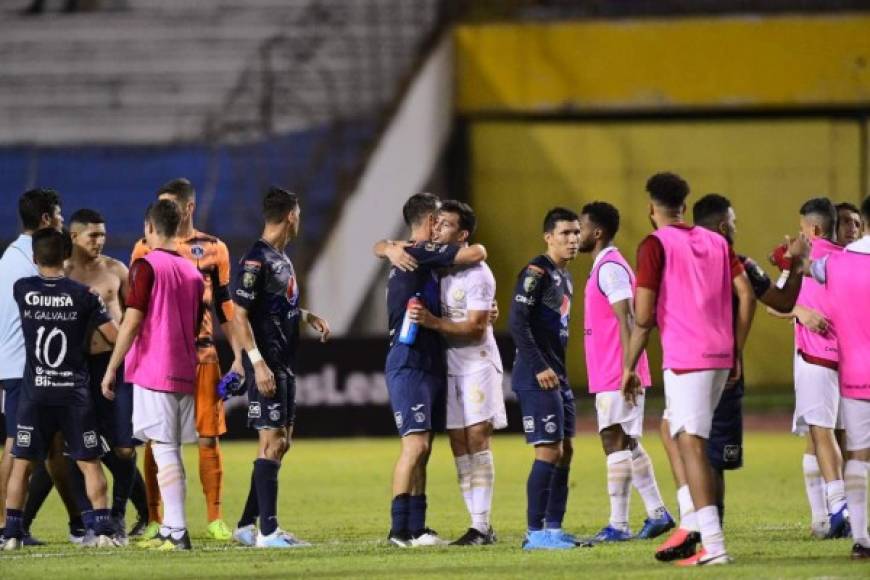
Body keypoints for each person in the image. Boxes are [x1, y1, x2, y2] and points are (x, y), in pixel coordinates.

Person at [622, 173, 754, 566]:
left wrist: (628, 367)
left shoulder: (653, 245)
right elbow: (746, 294)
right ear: (684, 204)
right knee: (671, 427)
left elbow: (643, 317)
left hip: (687, 356)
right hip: (718, 354)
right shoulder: (715, 240)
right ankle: (693, 519)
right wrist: (736, 348)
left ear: (651, 208)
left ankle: (712, 543)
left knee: (693, 442)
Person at [677, 194, 809, 527]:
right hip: (724, 367)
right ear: (723, 226)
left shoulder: (676, 260)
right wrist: (795, 266)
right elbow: (781, 301)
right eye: (733, 222)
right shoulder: (740, 263)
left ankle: (693, 525)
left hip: (682, 366)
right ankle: (711, 531)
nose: (736, 226)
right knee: (715, 455)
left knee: (688, 442)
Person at [130, 178, 242, 541]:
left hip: (203, 354)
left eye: (170, 206)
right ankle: (154, 518)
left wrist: (240, 355)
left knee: (208, 438)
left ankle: (214, 518)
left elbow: (225, 306)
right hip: (160, 358)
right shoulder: (143, 250)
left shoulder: (213, 249)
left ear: (188, 209)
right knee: (156, 440)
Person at [372, 192, 487, 547]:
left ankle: (418, 527)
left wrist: (386, 247)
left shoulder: (413, 254)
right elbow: (477, 252)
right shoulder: (420, 250)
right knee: (415, 445)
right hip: (410, 361)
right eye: (439, 218)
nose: (442, 224)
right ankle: (398, 530)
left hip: (429, 360)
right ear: (430, 220)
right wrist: (389, 247)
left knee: (425, 447)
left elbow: (381, 246)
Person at [3, 228, 119, 550]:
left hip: (35, 394)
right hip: (74, 394)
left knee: (22, 463)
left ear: (37, 257)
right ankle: (105, 530)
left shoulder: (22, 289)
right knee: (89, 462)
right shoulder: (84, 295)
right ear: (67, 255)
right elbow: (112, 335)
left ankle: (11, 533)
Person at [101, 200, 204, 551]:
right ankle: (171, 528)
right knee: (168, 448)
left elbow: (133, 320)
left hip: (154, 367)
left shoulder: (146, 266)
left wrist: (113, 366)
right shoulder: (193, 271)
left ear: (149, 227)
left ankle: (176, 532)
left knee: (164, 450)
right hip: (184, 367)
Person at [402, 200, 506, 546]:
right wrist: (387, 247)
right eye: (437, 223)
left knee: (477, 438)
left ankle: (482, 525)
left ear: (461, 235)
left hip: (477, 362)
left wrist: (432, 322)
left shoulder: (478, 273)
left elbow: (476, 329)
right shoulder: (438, 268)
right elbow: (386, 246)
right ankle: (477, 525)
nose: (437, 229)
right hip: (449, 365)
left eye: (445, 225)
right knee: (459, 444)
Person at [230, 188, 330, 548]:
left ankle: (245, 525)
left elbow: (269, 307)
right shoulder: (256, 259)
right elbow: (239, 314)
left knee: (281, 443)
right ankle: (269, 532)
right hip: (268, 364)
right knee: (272, 443)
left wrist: (304, 315)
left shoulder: (280, 258)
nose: (299, 220)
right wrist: (256, 364)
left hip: (285, 363)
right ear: (291, 216)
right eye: (299, 214)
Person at [576, 201, 674, 543]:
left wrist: (627, 369)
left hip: (617, 369)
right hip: (614, 368)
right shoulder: (604, 265)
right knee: (627, 441)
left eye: (581, 228)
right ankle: (658, 514)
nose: (577, 234)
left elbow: (629, 318)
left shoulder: (610, 269)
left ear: (597, 232)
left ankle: (618, 524)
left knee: (613, 439)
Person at [0, 188, 81, 546]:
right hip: (23, 367)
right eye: (60, 216)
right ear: (47, 219)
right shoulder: (26, 261)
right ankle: (4, 525)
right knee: (18, 447)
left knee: (53, 452)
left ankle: (79, 522)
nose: (62, 222)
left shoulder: (11, 256)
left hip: (27, 366)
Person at [66, 209, 148, 541]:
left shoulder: (116, 270)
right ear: (73, 237)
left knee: (125, 448)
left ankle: (117, 515)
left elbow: (135, 316)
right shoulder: (62, 274)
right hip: (77, 369)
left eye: (102, 234)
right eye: (92, 235)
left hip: (116, 366)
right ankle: (90, 519)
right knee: (79, 449)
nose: (99, 241)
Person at [509, 207, 581, 551]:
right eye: (565, 233)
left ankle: (554, 529)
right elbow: (517, 322)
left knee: (565, 451)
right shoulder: (536, 271)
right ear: (548, 237)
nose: (573, 239)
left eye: (576, 232)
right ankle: (534, 532)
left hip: (558, 375)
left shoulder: (565, 277)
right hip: (537, 374)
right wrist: (539, 366)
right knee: (548, 451)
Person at [809, 195, 870, 559]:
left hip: (856, 374)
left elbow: (806, 272)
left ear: (863, 220)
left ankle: (862, 539)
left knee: (859, 454)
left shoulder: (833, 263)